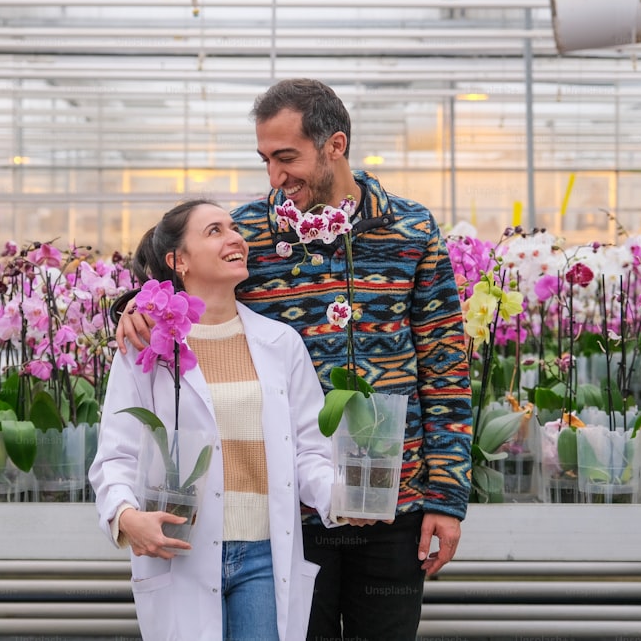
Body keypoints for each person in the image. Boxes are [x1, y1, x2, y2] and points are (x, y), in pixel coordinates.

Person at [116, 79, 473, 640]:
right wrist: (136, 307)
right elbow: (179, 277)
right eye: (265, 160)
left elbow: (447, 369)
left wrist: (447, 498)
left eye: (287, 158)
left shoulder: (411, 229)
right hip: (288, 514)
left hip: (391, 499)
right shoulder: (251, 232)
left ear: (335, 145)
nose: (276, 177)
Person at [90, 199, 342, 641]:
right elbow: (116, 454)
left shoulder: (281, 343)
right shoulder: (146, 343)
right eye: (214, 231)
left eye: (234, 228)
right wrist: (125, 517)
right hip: (180, 549)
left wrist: (340, 499)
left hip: (264, 554)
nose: (235, 238)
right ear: (178, 261)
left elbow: (310, 450)